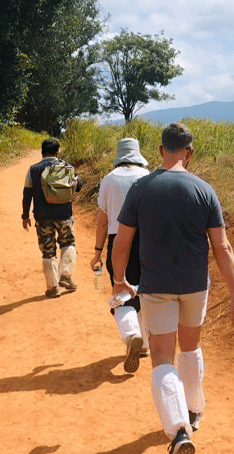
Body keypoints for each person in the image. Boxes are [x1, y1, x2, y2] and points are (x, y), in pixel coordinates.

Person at [111, 123, 234, 454]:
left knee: (162, 358)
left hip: (156, 288)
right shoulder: (205, 190)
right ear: (189, 153)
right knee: (190, 348)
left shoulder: (141, 189)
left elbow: (124, 240)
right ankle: (193, 410)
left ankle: (178, 434)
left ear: (160, 150)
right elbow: (223, 248)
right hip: (195, 287)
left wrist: (119, 281)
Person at [89, 138, 151, 373]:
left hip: (118, 241)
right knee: (144, 290)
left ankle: (132, 335)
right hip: (146, 241)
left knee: (121, 289)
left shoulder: (108, 180)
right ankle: (144, 343)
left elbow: (103, 222)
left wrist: (97, 252)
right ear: (137, 155)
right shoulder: (148, 177)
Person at [22, 138, 83, 298]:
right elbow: (79, 186)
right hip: (64, 215)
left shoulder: (33, 170)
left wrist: (25, 215)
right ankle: (66, 275)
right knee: (68, 243)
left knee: (48, 251)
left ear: (42, 152)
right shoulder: (67, 167)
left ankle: (53, 288)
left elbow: (27, 193)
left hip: (42, 217)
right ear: (58, 152)